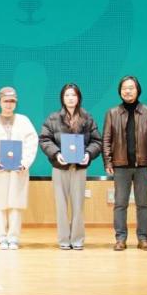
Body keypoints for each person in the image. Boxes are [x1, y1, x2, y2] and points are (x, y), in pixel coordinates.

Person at [39, 83, 103, 250]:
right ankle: (63, 240)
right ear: (62, 98)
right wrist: (56, 153)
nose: (70, 98)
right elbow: (44, 140)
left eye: (73, 95)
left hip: (79, 168)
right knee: (61, 205)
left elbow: (97, 141)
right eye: (67, 95)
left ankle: (77, 239)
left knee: (78, 205)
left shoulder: (87, 118)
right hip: (59, 167)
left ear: (78, 97)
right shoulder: (53, 118)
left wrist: (88, 154)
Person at [103, 75, 147, 251]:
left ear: (138, 90)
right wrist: (108, 162)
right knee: (120, 204)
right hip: (120, 166)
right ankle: (120, 239)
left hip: (143, 166)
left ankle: (143, 239)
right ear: (120, 91)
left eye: (131, 88)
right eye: (124, 88)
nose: (127, 91)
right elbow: (106, 140)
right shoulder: (112, 113)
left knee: (143, 204)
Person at [0, 86, 38, 250]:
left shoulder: (24, 121)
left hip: (18, 170)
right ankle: (1, 237)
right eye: (6, 101)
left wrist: (24, 162)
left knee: (16, 204)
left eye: (12, 101)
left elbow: (32, 143)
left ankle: (13, 237)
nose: (9, 104)